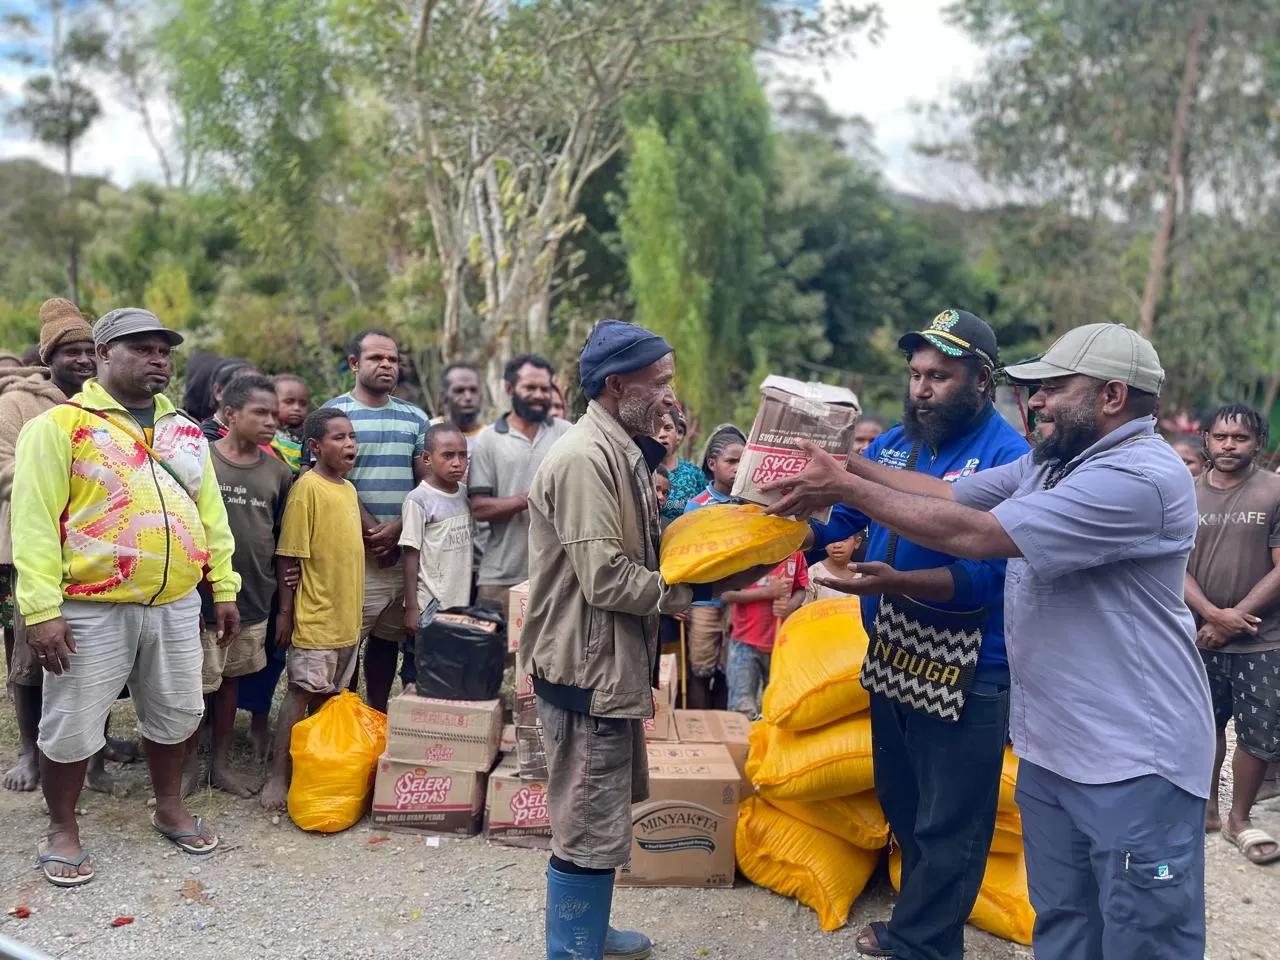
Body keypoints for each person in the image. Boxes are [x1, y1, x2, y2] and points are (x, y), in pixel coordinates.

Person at [765, 321, 1214, 960]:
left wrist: (847, 488)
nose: (1035, 401)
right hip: (1055, 748)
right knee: (1063, 922)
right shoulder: (1051, 465)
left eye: (1054, 388)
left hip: (1132, 758)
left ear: (1112, 396)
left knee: (1143, 935)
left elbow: (977, 538)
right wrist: (847, 467)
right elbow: (947, 493)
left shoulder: (1140, 477)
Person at [520, 319, 765, 960]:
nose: (669, 396)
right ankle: (572, 948)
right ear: (614, 385)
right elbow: (605, 578)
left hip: (608, 661)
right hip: (586, 667)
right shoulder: (582, 460)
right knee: (586, 817)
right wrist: (688, 598)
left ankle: (589, 932)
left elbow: (646, 550)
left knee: (600, 806)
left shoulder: (622, 449)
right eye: (658, 383)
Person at [792, 309, 1029, 960]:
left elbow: (987, 579)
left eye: (940, 376)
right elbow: (840, 515)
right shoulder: (895, 444)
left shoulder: (1008, 458)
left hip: (969, 665)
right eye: (916, 373)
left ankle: (926, 945)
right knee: (903, 801)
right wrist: (785, 533)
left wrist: (895, 582)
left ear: (982, 382)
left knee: (951, 821)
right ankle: (919, 925)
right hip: (892, 652)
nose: (922, 388)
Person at [13, 307, 241, 886]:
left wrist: (223, 586)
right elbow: (34, 522)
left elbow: (207, 512)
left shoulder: (184, 431)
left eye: (164, 350)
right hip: (90, 605)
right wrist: (41, 612)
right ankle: (62, 830)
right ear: (103, 354)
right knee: (71, 723)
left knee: (176, 711)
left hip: (174, 603)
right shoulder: (60, 426)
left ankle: (169, 809)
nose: (158, 358)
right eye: (142, 348)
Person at [1, 298, 115, 794]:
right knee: (32, 654)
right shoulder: (17, 404)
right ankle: (30, 751)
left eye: (92, 350)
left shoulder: (105, 402)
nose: (85, 360)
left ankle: (95, 756)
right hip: (37, 545)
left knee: (100, 652)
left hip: (100, 547)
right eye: (73, 352)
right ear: (50, 357)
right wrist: (67, 479)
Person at [186, 376, 294, 798]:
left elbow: (283, 542)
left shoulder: (278, 472)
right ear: (230, 415)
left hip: (251, 599)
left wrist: (284, 606)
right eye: (260, 413)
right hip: (199, 597)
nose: (272, 421)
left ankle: (220, 764)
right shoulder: (199, 459)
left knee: (230, 680)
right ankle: (188, 765)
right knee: (192, 684)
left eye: (274, 414)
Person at [1183, 404, 1280, 863]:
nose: (1228, 446)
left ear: (1257, 442)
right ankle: (1204, 810)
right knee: (1204, 723)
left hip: (1263, 636)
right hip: (1197, 633)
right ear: (1206, 438)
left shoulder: (1275, 491)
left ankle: (1239, 819)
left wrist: (1234, 616)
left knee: (1260, 730)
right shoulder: (1183, 493)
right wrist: (1210, 615)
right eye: (1220, 437)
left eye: (1239, 438)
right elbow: (1171, 563)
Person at [322, 329, 430, 713]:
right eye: (376, 359)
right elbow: (322, 479)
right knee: (347, 642)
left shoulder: (416, 418)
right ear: (354, 364)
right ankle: (341, 716)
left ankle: (378, 714)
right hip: (351, 553)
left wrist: (398, 529)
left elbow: (427, 483)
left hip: (401, 553)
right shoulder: (333, 415)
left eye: (393, 360)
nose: (387, 365)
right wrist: (369, 530)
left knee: (387, 641)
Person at [260, 409, 363, 812]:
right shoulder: (308, 488)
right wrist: (286, 614)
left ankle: (315, 770)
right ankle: (277, 774)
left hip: (346, 618)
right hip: (316, 617)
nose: (350, 444)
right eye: (339, 438)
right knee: (300, 693)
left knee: (330, 699)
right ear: (316, 447)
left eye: (352, 437)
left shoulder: (348, 489)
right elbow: (289, 555)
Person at [469, 354, 570, 612]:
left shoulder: (568, 433)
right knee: (502, 653)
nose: (539, 395)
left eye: (545, 389)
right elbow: (478, 507)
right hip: (502, 576)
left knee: (555, 653)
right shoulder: (488, 439)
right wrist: (529, 499)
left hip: (560, 576)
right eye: (530, 388)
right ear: (509, 389)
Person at [399, 423, 474, 689]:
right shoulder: (418, 500)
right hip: (429, 604)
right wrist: (411, 607)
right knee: (420, 671)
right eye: (448, 455)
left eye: (463, 455)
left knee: (452, 669)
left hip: (460, 601)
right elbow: (410, 555)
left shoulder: (466, 496)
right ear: (427, 459)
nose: (457, 463)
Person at [680, 424, 746, 710]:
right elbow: (683, 557)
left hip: (743, 601)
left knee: (727, 669)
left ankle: (723, 734)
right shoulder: (697, 506)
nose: (738, 467)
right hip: (704, 601)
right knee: (700, 668)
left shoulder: (752, 506)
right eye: (731, 461)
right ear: (712, 464)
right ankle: (700, 730)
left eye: (744, 461)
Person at [721, 552, 808, 718]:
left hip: (781, 644)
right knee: (742, 709)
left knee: (779, 708)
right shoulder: (746, 549)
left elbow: (801, 589)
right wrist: (768, 593)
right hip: (744, 642)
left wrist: (789, 607)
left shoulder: (795, 551)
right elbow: (725, 594)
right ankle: (743, 744)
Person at [655, 408, 703, 522]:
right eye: (655, 428)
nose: (662, 434)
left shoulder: (694, 474)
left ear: (677, 434)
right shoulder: (639, 472)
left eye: (668, 428)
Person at [430, 362, 488, 454]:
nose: (468, 397)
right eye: (459, 391)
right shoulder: (427, 433)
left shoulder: (492, 438)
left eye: (473, 390)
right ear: (443, 396)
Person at [198, 359, 260, 441]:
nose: (259, 398)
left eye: (260, 389)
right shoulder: (204, 439)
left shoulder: (261, 431)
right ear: (219, 392)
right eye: (246, 389)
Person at [270, 374, 310, 474]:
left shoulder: (309, 433)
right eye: (289, 402)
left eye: (303, 403)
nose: (297, 408)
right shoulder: (265, 432)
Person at [808, 532, 865, 601]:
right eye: (831, 539)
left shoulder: (863, 575)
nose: (837, 545)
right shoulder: (813, 574)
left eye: (844, 539)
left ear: (856, 542)